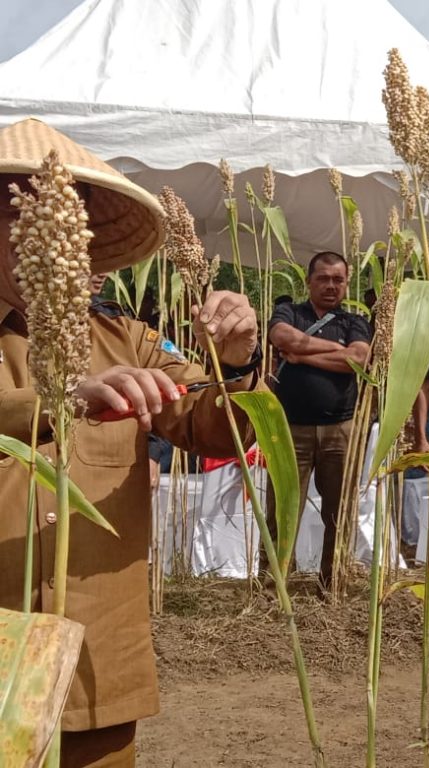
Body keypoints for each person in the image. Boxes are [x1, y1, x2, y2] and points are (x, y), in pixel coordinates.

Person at [0, 118, 264, 766]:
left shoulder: (132, 339)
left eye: (69, 223)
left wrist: (233, 362)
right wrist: (62, 401)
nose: (57, 238)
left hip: (97, 664)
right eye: (30, 220)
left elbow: (212, 426)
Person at [267, 251, 371, 589]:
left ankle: (333, 586)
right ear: (309, 281)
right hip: (289, 429)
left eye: (338, 280)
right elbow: (282, 338)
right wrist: (333, 353)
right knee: (282, 511)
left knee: (339, 513)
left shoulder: (355, 320)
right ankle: (274, 586)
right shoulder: (289, 311)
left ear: (346, 283)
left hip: (341, 430)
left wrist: (301, 356)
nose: (330, 285)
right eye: (323, 278)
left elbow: (359, 359)